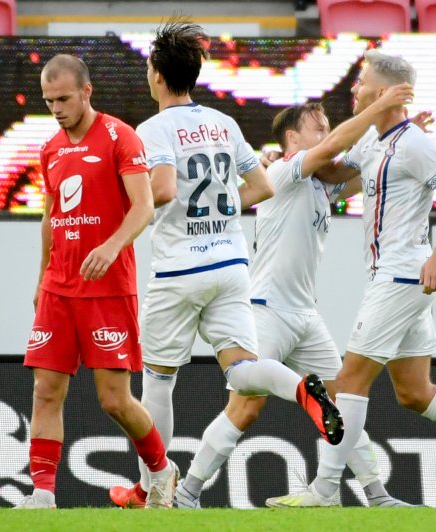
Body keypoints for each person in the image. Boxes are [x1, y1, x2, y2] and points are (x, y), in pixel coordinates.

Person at [266, 50, 436, 508]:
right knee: (413, 392)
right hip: (395, 279)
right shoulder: (375, 142)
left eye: (361, 81)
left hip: (402, 277)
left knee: (349, 380)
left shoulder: (414, 143)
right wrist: (283, 157)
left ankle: (325, 491)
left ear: (386, 90)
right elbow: (330, 170)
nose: (353, 89)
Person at [109, 21, 343, 509]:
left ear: (155, 74)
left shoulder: (151, 129)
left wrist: (130, 211)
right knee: (241, 370)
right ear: (193, 73)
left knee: (158, 380)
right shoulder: (224, 124)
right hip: (231, 264)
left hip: (177, 272)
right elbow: (261, 188)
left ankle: (156, 492)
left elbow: (166, 188)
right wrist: (217, 207)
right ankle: (299, 387)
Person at [166, 85, 428, 508]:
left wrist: (397, 136)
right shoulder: (283, 170)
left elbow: (365, 173)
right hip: (266, 309)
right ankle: (186, 493)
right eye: (317, 127)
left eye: (327, 126)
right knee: (246, 408)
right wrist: (378, 108)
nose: (326, 132)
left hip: (306, 316)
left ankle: (377, 497)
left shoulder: (321, 185)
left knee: (343, 401)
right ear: (291, 138)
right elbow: (334, 150)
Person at [15, 54, 177, 509]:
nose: (56, 108)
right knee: (46, 390)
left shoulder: (119, 136)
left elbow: (144, 206)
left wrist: (110, 246)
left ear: (87, 91)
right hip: (58, 289)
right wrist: (41, 277)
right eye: (48, 101)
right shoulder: (50, 149)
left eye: (63, 98)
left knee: (113, 401)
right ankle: (43, 494)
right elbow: (51, 218)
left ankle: (161, 471)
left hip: (107, 288)